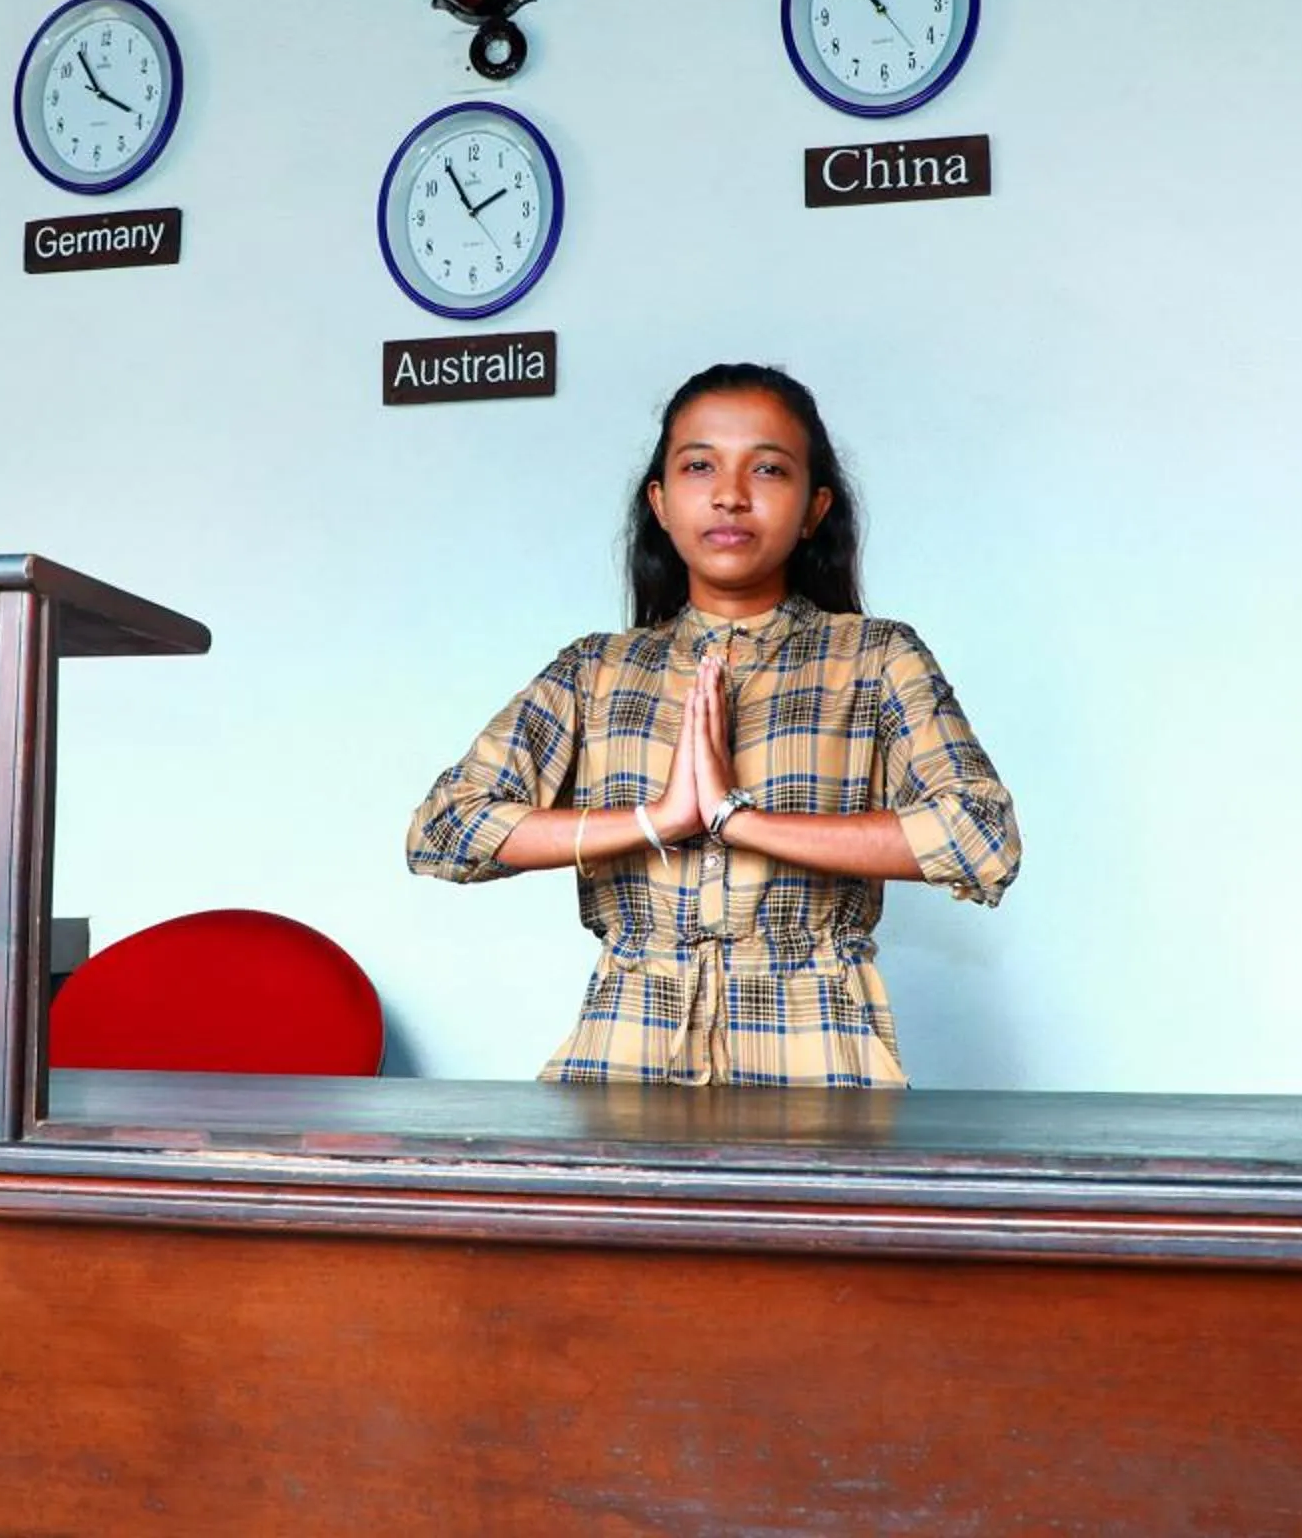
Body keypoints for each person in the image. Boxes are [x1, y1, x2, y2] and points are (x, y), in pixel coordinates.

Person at [405, 363, 1019, 1087]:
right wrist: (657, 819)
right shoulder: (594, 670)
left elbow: (981, 839)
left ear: (815, 508)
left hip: (821, 1066)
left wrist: (736, 818)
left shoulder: (876, 658)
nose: (730, 494)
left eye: (768, 468)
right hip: (619, 1065)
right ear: (660, 503)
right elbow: (443, 833)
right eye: (700, 466)